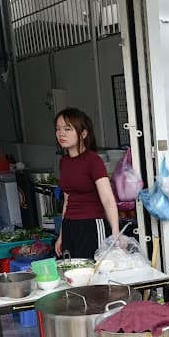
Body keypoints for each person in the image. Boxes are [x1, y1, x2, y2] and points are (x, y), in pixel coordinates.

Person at [54, 108, 120, 259]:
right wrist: (61, 236)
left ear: (83, 134)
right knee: (71, 272)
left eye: (67, 129)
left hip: (92, 226)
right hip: (70, 226)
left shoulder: (93, 161)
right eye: (58, 129)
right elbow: (67, 200)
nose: (61, 134)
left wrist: (115, 234)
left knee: (93, 274)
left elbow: (108, 200)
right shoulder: (64, 162)